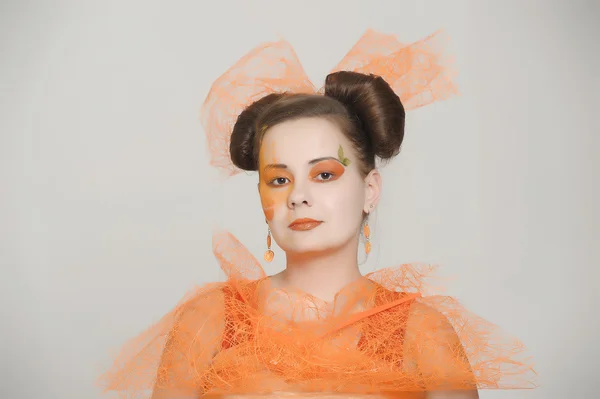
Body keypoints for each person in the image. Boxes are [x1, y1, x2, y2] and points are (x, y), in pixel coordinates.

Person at [99, 30, 535, 399]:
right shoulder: (209, 321)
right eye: (279, 179)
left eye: (324, 174)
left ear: (369, 190)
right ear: (260, 195)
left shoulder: (423, 333)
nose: (298, 197)